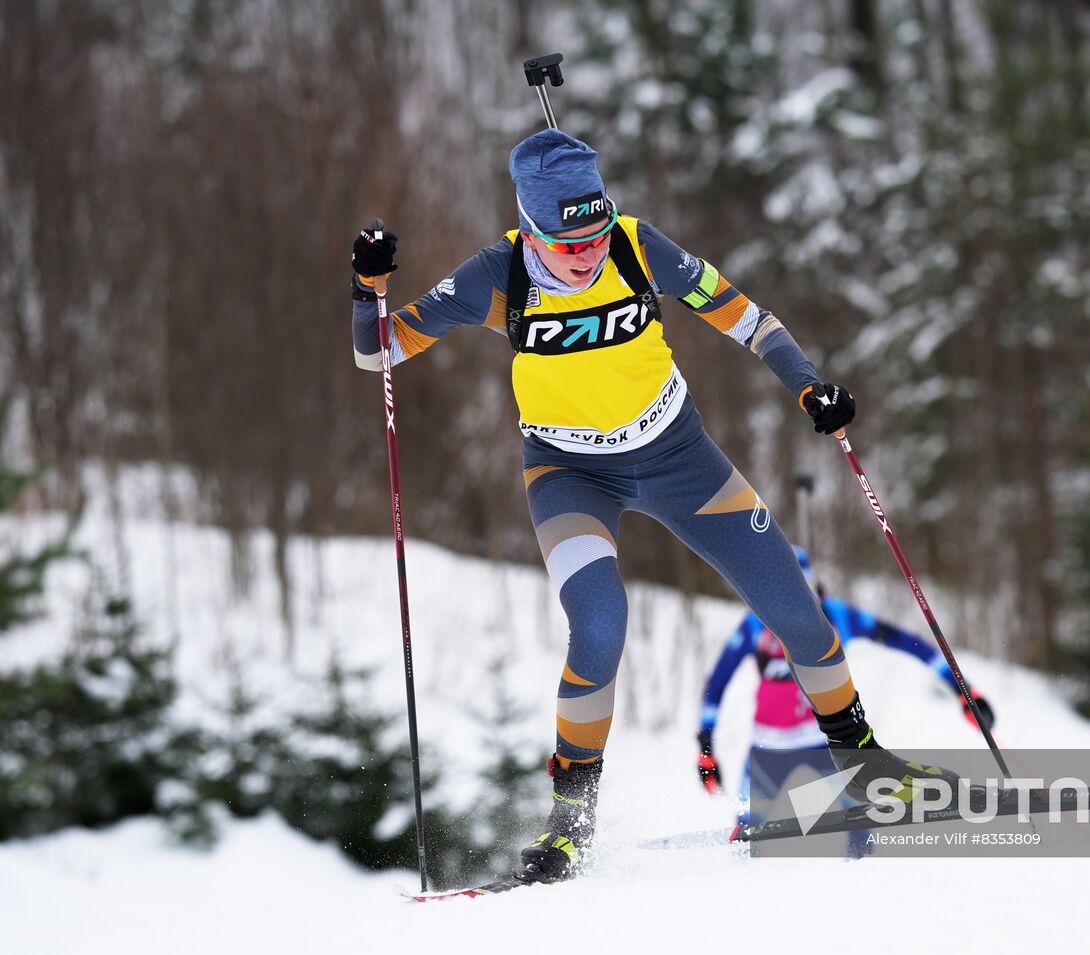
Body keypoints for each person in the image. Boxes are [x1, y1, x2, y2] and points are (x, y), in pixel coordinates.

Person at [349, 128, 951, 884]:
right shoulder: (495, 275)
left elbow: (747, 317)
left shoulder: (637, 247)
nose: (589, 252)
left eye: (597, 232)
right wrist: (365, 288)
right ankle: (569, 827)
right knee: (599, 625)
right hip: (569, 475)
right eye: (570, 244)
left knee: (797, 610)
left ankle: (863, 764)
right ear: (532, 230)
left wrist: (807, 383)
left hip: (680, 459)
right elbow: (380, 352)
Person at [695, 546, 994, 855]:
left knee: (859, 829)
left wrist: (963, 690)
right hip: (767, 747)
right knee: (747, 835)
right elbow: (717, 682)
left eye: (799, 591)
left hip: (826, 745)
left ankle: (866, 887)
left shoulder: (837, 616)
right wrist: (704, 746)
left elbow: (911, 644)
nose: (788, 603)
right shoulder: (755, 623)